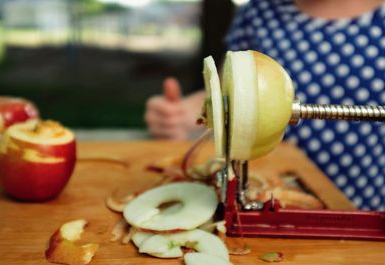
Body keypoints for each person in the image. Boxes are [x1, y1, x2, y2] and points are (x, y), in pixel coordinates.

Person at [145, 0, 385, 211]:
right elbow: (228, 90)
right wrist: (184, 113)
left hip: (363, 197)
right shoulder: (261, 10)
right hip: (271, 186)